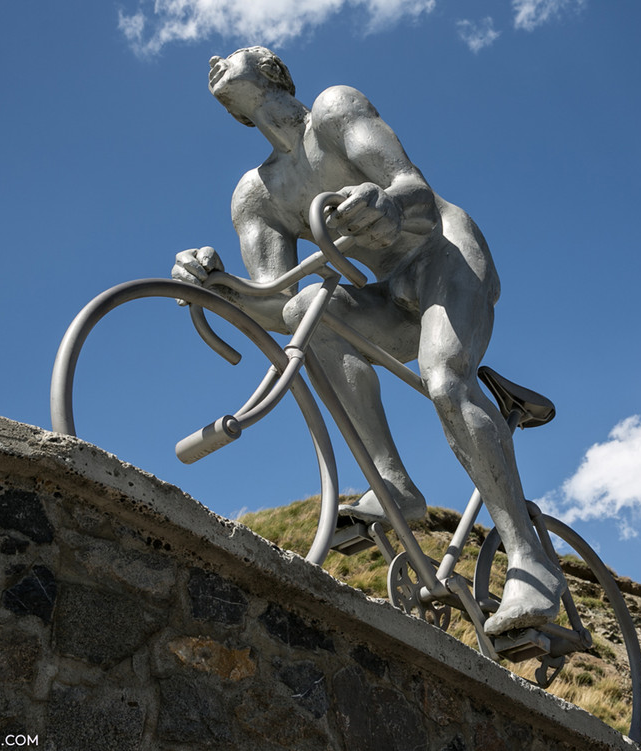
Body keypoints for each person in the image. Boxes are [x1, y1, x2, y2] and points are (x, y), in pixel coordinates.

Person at [172, 47, 562, 635]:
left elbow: (418, 196)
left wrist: (388, 201)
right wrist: (216, 287)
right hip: (392, 294)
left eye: (231, 56)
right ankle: (394, 485)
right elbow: (275, 309)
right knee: (310, 307)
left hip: (446, 256)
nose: (213, 60)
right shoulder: (256, 195)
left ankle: (530, 563)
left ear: (272, 71)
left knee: (446, 383)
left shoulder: (334, 111)